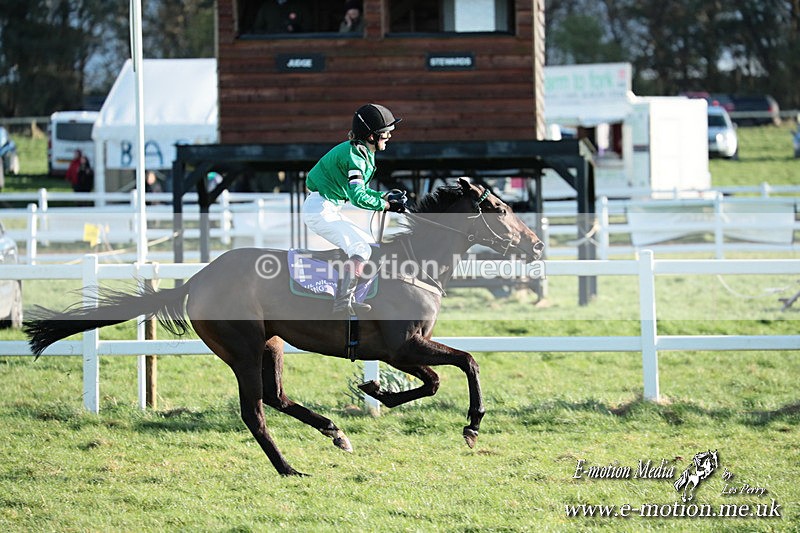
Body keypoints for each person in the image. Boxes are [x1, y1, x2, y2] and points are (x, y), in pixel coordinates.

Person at [303, 103, 407, 313]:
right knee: (360, 248)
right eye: (386, 133)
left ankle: (355, 294)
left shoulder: (361, 152)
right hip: (321, 208)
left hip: (327, 206)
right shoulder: (355, 157)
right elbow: (358, 197)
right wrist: (386, 205)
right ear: (371, 136)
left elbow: (363, 191)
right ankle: (342, 302)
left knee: (368, 245)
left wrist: (384, 196)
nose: (389, 137)